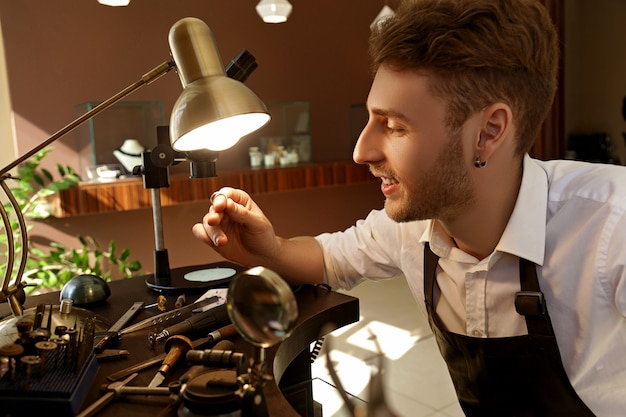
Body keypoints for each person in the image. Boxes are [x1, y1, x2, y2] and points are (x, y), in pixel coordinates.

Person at [192, 0, 626, 415]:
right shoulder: (411, 229)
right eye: (369, 119)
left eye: (394, 126)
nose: (361, 150)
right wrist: (268, 249)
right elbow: (331, 258)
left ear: (488, 132)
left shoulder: (613, 224)